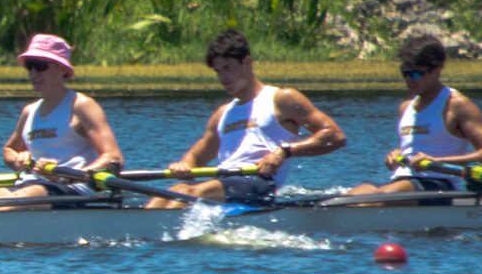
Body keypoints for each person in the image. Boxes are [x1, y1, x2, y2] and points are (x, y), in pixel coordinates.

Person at [145, 29, 346, 208]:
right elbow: (196, 157)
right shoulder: (222, 114)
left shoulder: (282, 99)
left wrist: (284, 151)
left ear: (247, 62)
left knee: (186, 194)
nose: (223, 78)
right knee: (171, 192)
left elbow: (335, 136)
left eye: (228, 67)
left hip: (259, 182)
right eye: (218, 71)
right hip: (225, 181)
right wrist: (184, 164)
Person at [0, 34, 124, 204]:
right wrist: (18, 160)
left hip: (73, 189)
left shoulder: (81, 106)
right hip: (32, 185)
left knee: (17, 199)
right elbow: (9, 150)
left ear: (62, 68)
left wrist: (66, 176)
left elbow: (113, 158)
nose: (33, 73)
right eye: (30, 66)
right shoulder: (29, 111)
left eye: (40, 66)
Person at [344, 34, 482, 201]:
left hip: (439, 185)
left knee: (378, 199)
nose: (409, 80)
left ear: (437, 70)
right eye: (405, 72)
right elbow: (414, 148)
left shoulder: (456, 104)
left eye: (416, 74)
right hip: (401, 182)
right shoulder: (405, 108)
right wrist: (395, 155)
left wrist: (436, 160)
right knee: (348, 198)